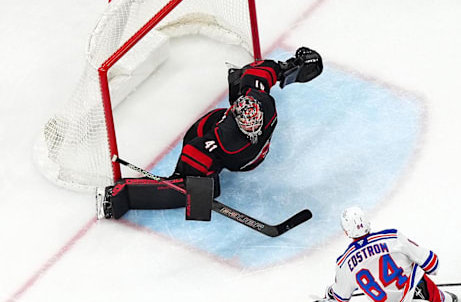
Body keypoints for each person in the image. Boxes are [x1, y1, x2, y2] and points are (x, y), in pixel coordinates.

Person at [96, 47, 323, 219]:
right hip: (249, 148)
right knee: (242, 78)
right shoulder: (263, 104)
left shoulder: (230, 137)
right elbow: (260, 76)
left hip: (240, 160)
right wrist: (287, 67)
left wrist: (190, 184)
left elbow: (200, 148)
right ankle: (192, 179)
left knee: (194, 155)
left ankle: (191, 181)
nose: (251, 127)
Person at [325, 206, 458, 302]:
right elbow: (432, 264)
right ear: (367, 223)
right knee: (420, 284)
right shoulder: (393, 237)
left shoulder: (344, 264)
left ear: (346, 232)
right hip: (430, 297)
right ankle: (447, 299)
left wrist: (330, 293)